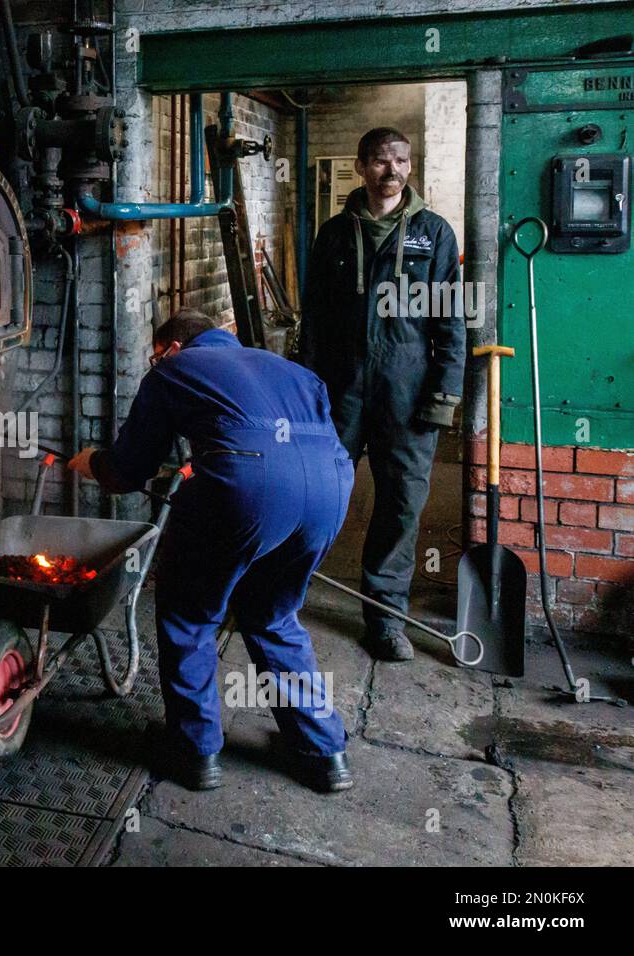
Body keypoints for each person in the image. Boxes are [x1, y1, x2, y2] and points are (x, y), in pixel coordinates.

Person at [68, 310, 355, 793]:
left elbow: (127, 470)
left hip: (250, 485)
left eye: (155, 355)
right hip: (332, 487)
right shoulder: (287, 368)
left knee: (189, 612)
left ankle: (195, 751)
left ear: (173, 349)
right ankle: (325, 753)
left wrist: (90, 462)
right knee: (274, 615)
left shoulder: (174, 370)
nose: (154, 363)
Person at [300, 127, 465, 662]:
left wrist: (443, 395)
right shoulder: (333, 234)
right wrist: (306, 390)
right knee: (317, 493)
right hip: (340, 390)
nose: (390, 170)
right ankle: (284, 593)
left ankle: (386, 619)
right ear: (360, 167)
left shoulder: (434, 234)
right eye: (378, 161)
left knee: (400, 505)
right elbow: (315, 321)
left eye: (400, 160)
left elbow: (451, 322)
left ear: (410, 167)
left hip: (407, 390)